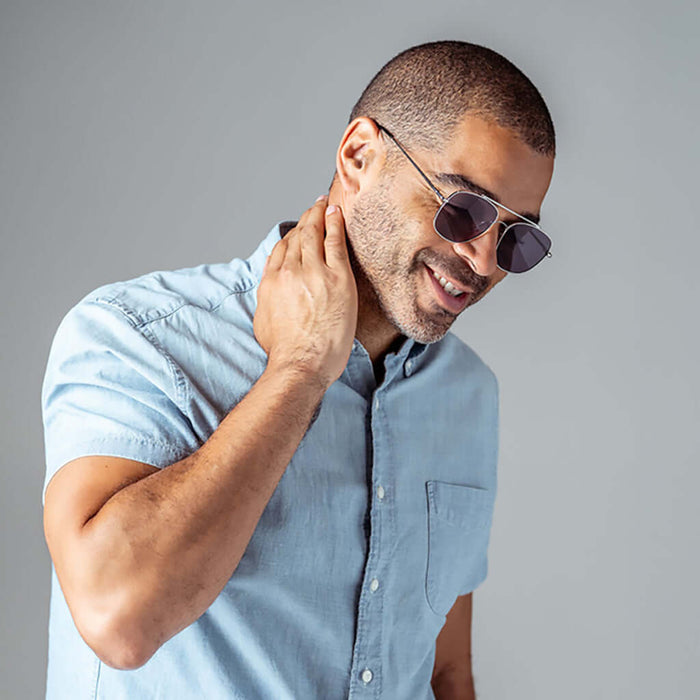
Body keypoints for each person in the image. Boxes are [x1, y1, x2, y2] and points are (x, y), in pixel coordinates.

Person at [41, 39, 555, 699]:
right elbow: (118, 622)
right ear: (359, 156)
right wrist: (301, 369)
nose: (483, 262)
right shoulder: (138, 337)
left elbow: (445, 671)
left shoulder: (466, 393)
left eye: (516, 238)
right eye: (465, 210)